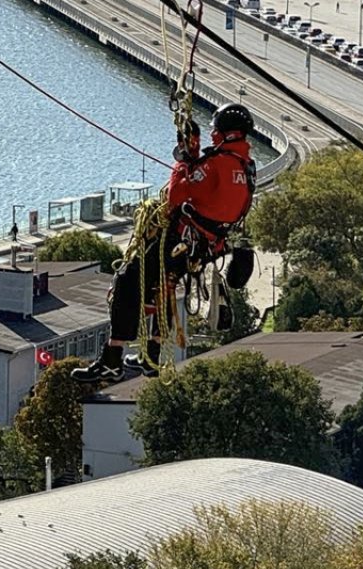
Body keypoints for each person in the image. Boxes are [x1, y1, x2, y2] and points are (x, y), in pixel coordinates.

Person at [73, 104, 257, 382]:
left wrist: (184, 160)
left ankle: (112, 359)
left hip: (182, 240)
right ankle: (153, 355)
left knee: (127, 280)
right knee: (163, 288)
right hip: (204, 246)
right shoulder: (245, 166)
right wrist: (195, 159)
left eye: (214, 131)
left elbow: (174, 196)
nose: (212, 135)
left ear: (223, 132)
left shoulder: (218, 163)